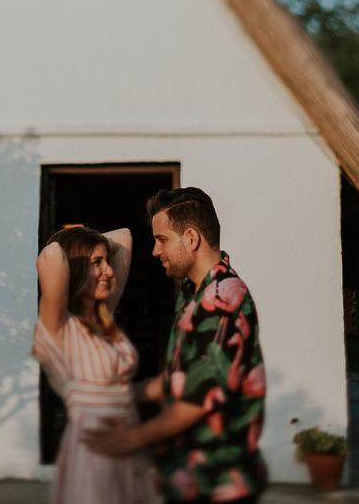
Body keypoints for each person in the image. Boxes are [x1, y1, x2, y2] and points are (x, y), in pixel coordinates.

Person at [83, 187, 267, 504]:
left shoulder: (222, 300)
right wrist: (130, 393)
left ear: (192, 238)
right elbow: (182, 378)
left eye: (162, 239)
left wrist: (130, 440)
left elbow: (198, 401)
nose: (155, 251)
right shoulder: (193, 290)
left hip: (220, 484)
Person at [33, 225, 158, 504]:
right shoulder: (58, 326)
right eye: (97, 263)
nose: (109, 270)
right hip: (93, 453)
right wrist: (78, 244)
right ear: (76, 269)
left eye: (106, 261)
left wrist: (92, 248)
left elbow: (125, 235)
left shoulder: (102, 319)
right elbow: (52, 254)